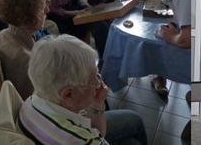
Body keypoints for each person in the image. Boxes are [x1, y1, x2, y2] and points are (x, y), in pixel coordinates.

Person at [20, 34, 148, 145]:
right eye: (94, 78)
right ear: (68, 94)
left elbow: (97, 133)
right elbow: (93, 138)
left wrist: (97, 104)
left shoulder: (31, 101)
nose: (99, 82)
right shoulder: (86, 142)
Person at [0, 0, 49, 98]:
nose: (47, 10)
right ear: (26, 14)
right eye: (41, 6)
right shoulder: (25, 60)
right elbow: (29, 103)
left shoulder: (3, 34)